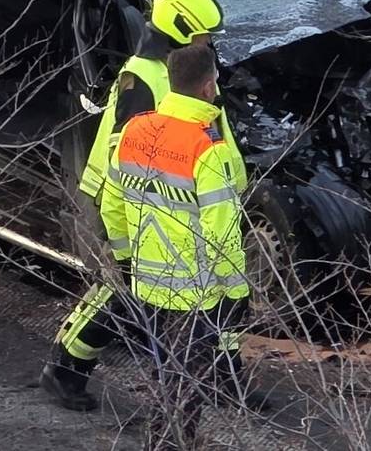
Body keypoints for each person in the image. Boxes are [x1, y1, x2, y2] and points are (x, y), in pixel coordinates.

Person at [40, 0, 247, 411]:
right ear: (183, 30)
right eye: (205, 35)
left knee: (211, 292)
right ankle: (64, 369)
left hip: (175, 193)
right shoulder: (143, 76)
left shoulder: (184, 64)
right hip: (137, 196)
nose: (211, 42)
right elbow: (129, 153)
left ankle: (224, 378)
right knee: (123, 289)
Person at [101, 45, 250, 450]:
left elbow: (112, 205)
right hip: (196, 291)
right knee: (186, 383)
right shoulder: (208, 148)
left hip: (147, 283)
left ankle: (165, 439)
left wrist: (125, 260)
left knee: (164, 369)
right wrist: (236, 293)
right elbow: (222, 233)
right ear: (208, 86)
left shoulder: (133, 130)